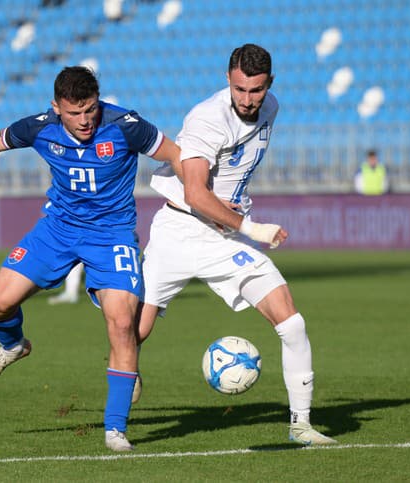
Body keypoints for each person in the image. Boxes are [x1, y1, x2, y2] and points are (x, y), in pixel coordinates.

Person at [0, 66, 180, 452]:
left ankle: (115, 429)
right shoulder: (39, 127)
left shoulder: (127, 126)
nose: (84, 121)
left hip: (111, 237)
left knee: (123, 323)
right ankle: (13, 345)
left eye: (90, 110)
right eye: (74, 113)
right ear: (56, 107)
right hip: (56, 229)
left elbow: (178, 156)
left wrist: (198, 204)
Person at [136, 44, 337, 445]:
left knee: (291, 322)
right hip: (179, 230)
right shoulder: (207, 120)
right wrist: (254, 228)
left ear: (269, 85)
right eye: (240, 90)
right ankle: (117, 414)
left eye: (256, 91)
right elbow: (195, 193)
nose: (247, 100)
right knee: (130, 332)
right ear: (228, 79)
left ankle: (301, 425)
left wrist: (236, 221)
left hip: (223, 238)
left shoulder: (272, 107)